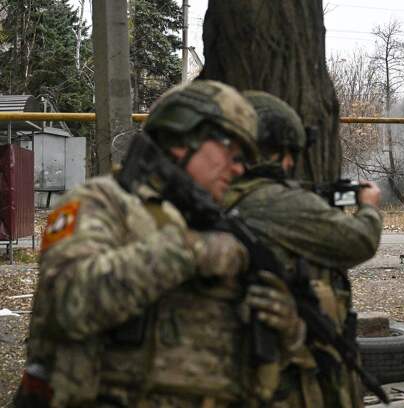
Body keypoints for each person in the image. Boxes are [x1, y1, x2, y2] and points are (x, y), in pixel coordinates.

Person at [15, 80, 304, 408]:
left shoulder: (227, 228)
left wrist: (288, 328)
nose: (239, 167)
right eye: (231, 151)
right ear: (184, 137)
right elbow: (67, 302)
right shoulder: (104, 203)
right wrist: (191, 251)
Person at [222, 91, 383, 408]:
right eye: (289, 153)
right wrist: (369, 209)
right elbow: (358, 241)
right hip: (280, 364)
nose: (293, 163)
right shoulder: (275, 202)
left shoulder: (211, 194)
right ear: (275, 150)